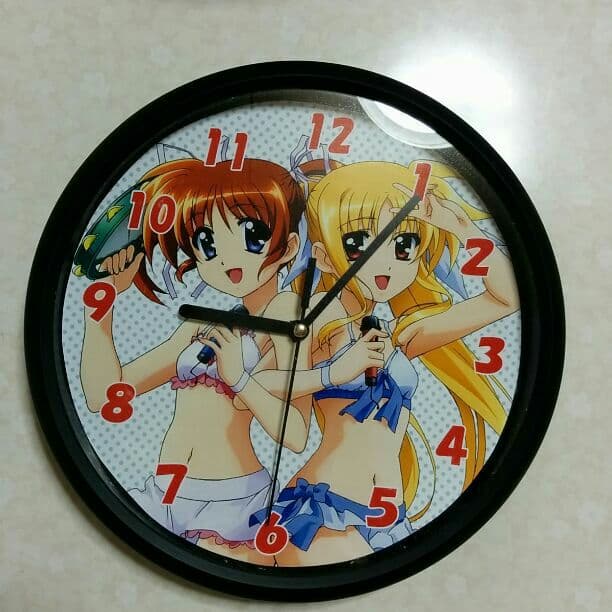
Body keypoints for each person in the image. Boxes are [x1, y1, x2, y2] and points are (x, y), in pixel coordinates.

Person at [250, 160, 519, 566]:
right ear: (324, 257)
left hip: (389, 515)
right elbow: (257, 382)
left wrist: (460, 226)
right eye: (358, 243)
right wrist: (333, 372)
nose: (387, 262)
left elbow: (506, 298)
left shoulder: (397, 333)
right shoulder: (317, 319)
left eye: (404, 244)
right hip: (326, 509)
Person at [79, 157, 312, 564]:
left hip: (231, 501)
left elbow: (295, 434)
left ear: (289, 247)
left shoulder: (288, 314)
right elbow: (105, 395)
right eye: (207, 243)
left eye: (251, 235)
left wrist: (239, 378)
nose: (226, 258)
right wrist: (102, 304)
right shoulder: (203, 324)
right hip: (166, 492)